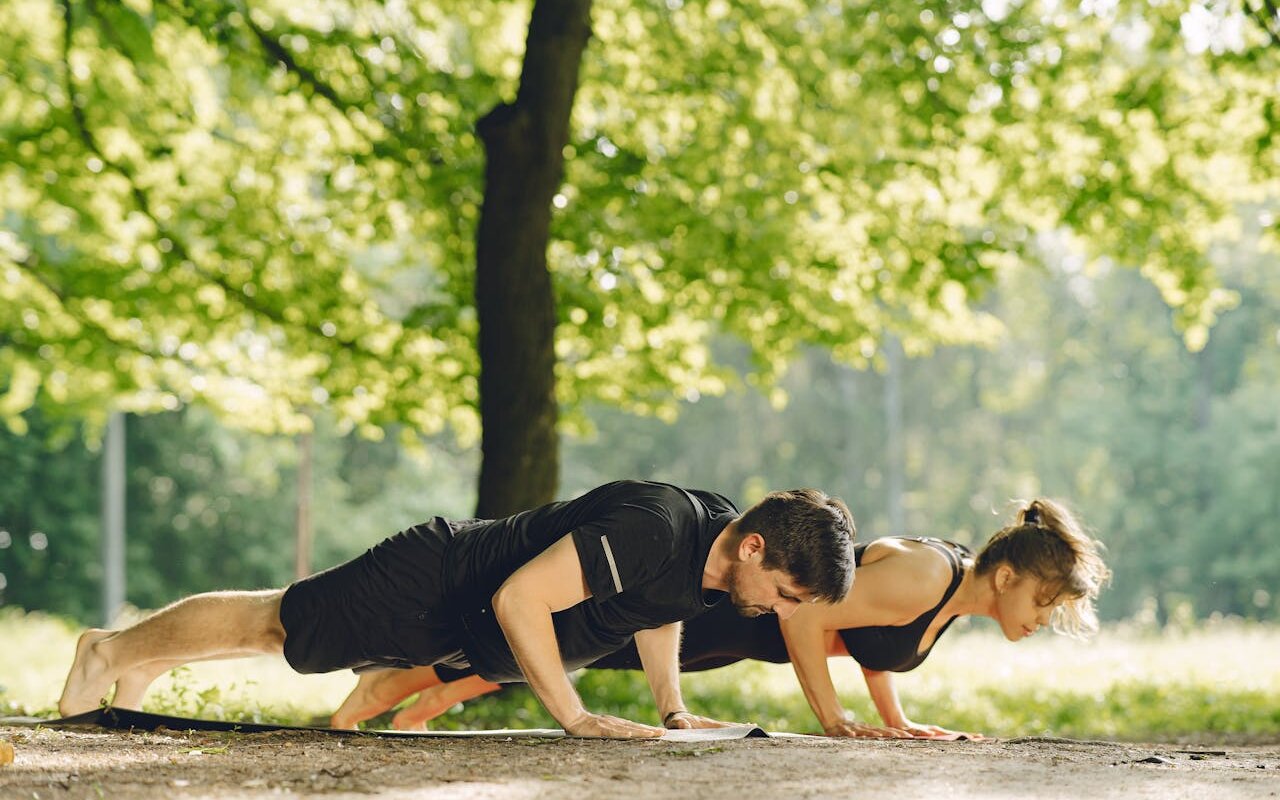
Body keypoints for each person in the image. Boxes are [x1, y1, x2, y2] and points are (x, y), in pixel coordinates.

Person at [58, 480, 856, 738]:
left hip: (457, 622)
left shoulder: (710, 552)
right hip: (435, 579)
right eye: (787, 594)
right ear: (754, 548)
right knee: (279, 625)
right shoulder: (656, 529)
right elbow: (522, 600)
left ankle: (138, 662)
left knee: (284, 640)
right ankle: (110, 650)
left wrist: (672, 707)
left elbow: (656, 609)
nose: (781, 612)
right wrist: (573, 716)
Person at [331, 498, 1109, 738]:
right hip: (720, 620)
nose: (1043, 619)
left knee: (569, 652)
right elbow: (806, 621)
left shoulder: (947, 595)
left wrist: (894, 721)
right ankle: (396, 686)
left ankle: (412, 702)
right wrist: (831, 719)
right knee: (568, 644)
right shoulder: (928, 575)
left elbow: (872, 644)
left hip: (729, 641)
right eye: (1044, 601)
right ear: (1006, 575)